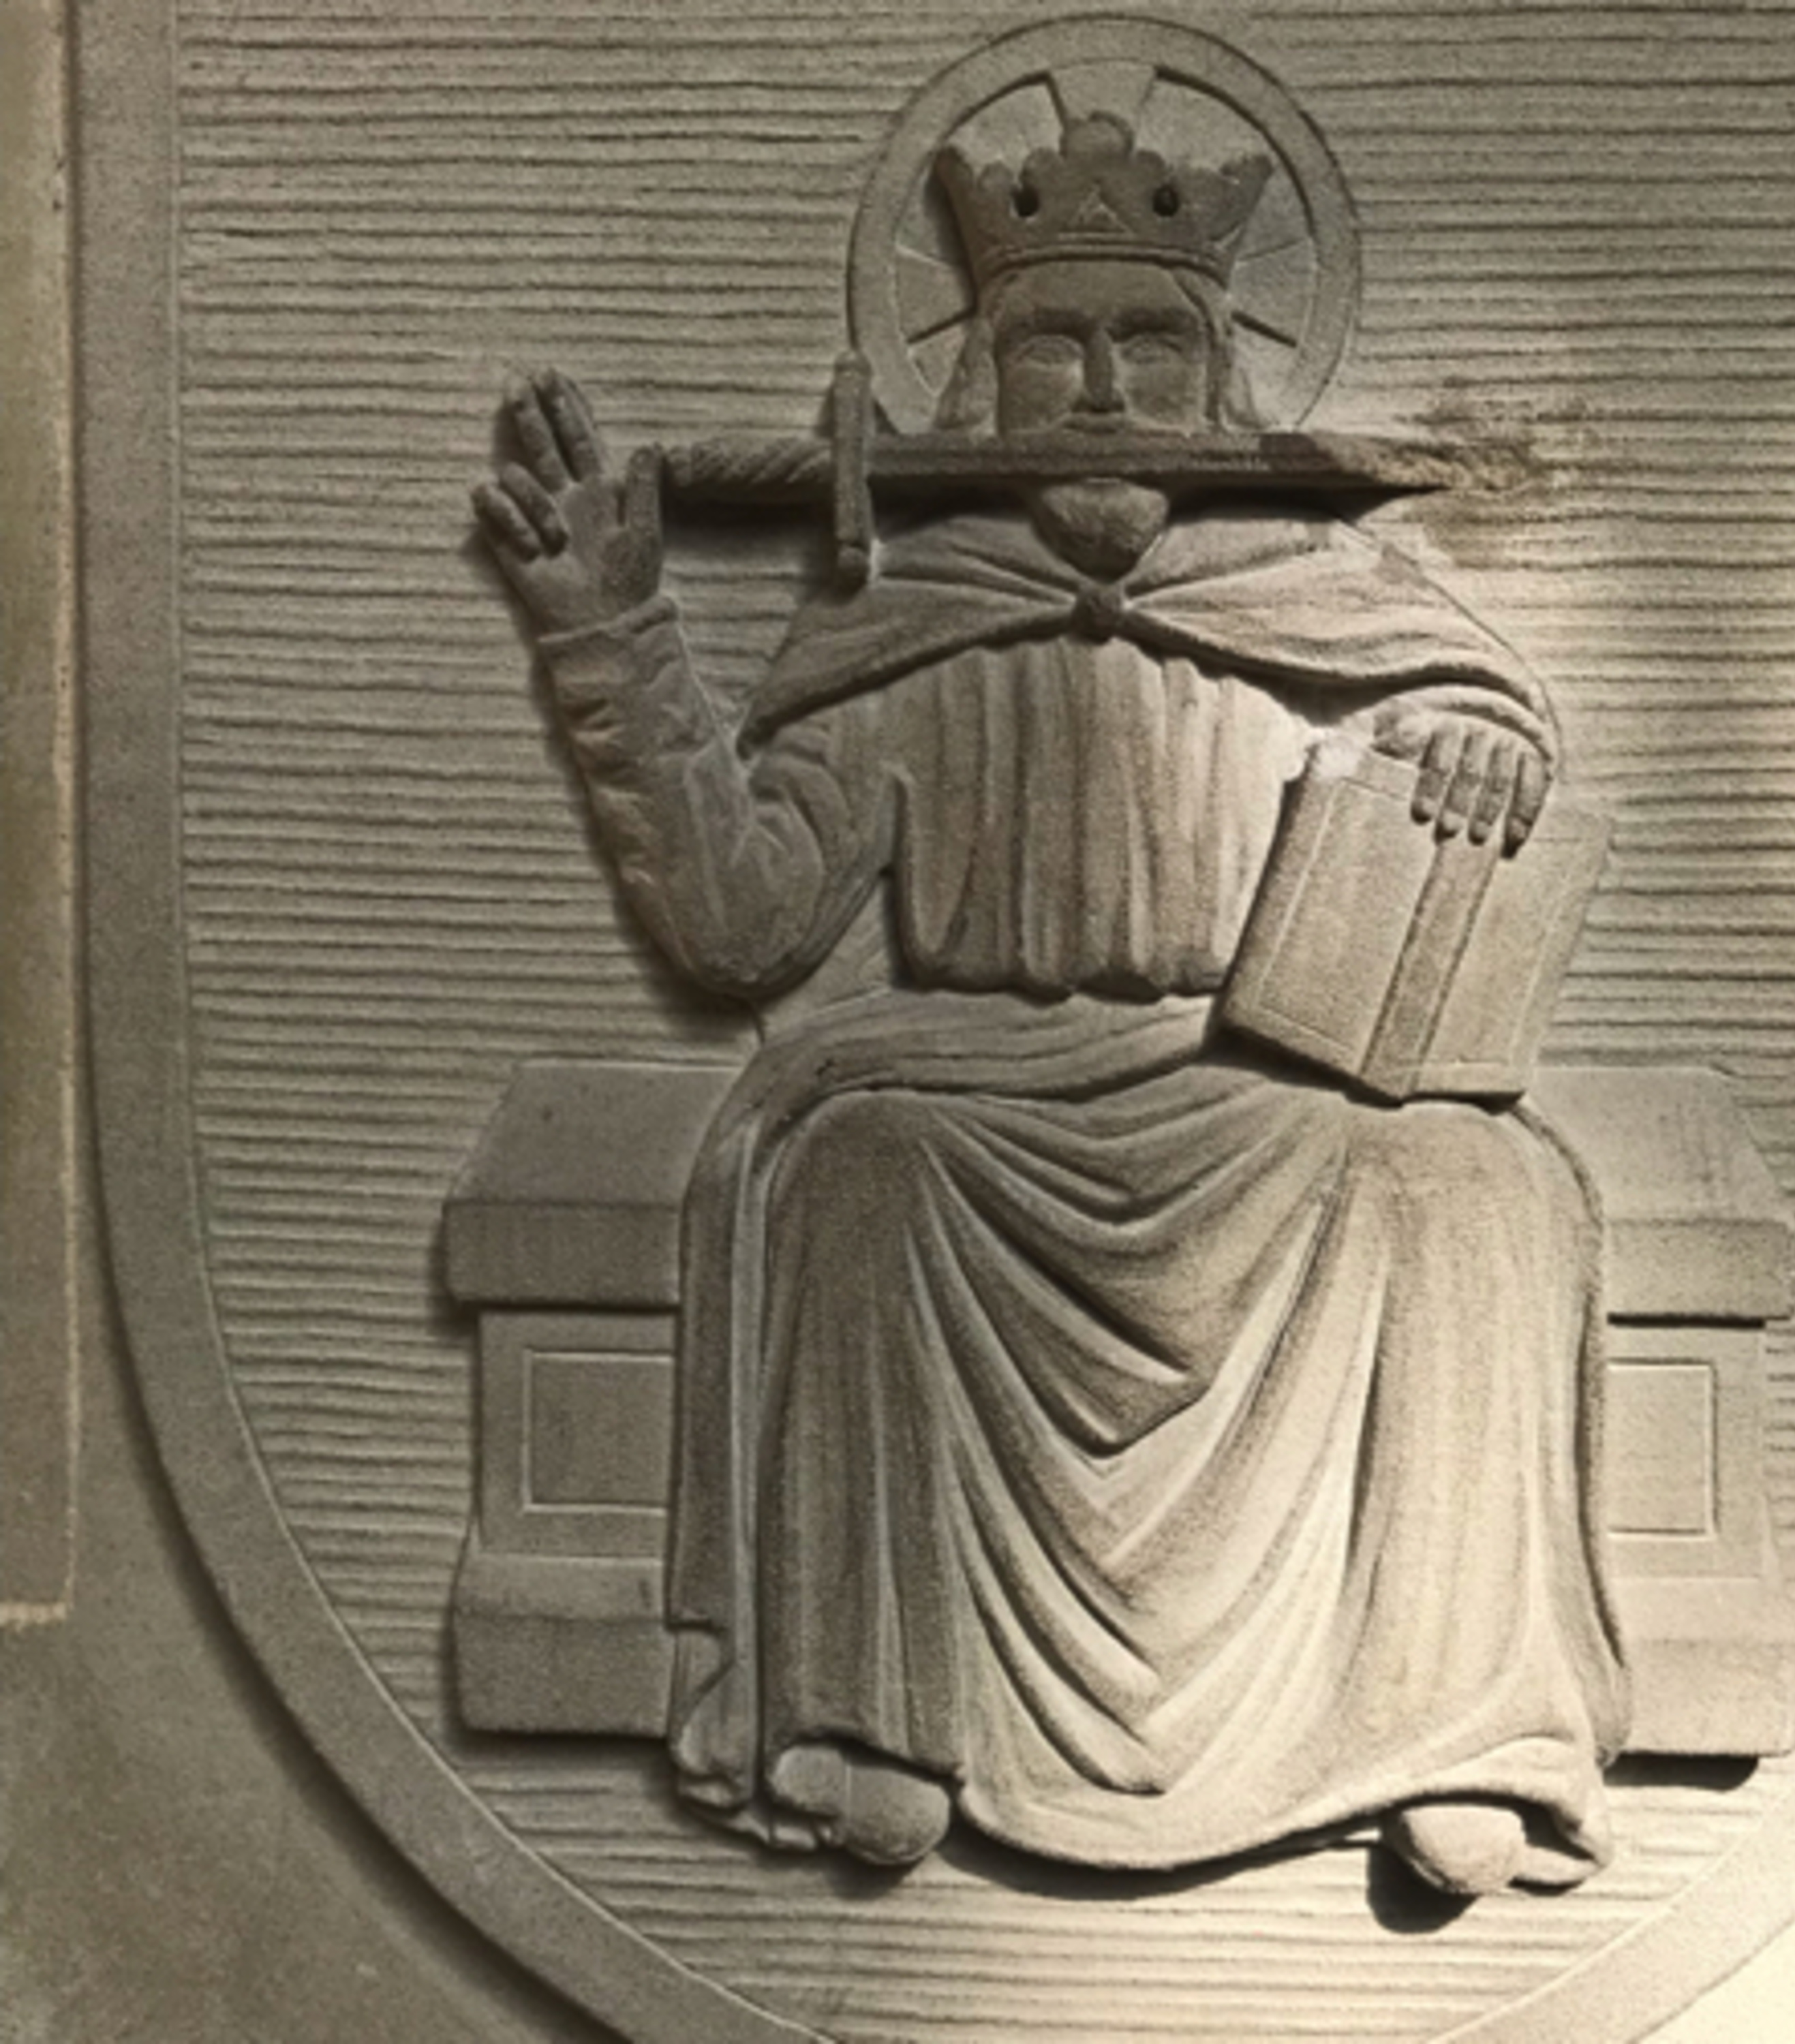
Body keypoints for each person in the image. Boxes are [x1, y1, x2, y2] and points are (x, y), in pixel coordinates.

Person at [476, 113, 1627, 1896]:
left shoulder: (1334, 605)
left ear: (1221, 380)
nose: (1096, 395)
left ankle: (1457, 1726)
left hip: (1257, 1084)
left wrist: (1483, 742)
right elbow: (738, 930)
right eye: (1051, 350)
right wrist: (612, 637)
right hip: (981, 1078)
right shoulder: (920, 617)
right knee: (859, 1170)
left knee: (1478, 1194)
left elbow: (1461, 731)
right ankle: (876, 1701)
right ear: (977, 384)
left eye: (1148, 348)